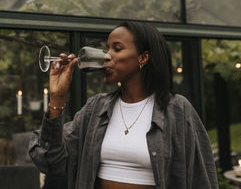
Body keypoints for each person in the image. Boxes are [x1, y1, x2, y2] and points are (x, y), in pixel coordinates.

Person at [29, 21, 218, 189]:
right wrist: (57, 98)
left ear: (143, 58)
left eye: (117, 49)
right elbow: (51, 161)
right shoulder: (96, 109)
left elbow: (201, 177)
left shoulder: (177, 110)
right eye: (107, 48)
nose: (106, 56)